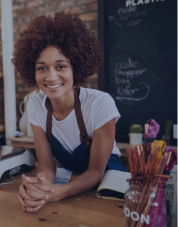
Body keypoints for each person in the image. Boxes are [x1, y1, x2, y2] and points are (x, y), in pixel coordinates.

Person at [12, 12, 126, 213]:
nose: (51, 76)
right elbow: (47, 166)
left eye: (61, 66)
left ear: (76, 68)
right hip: (73, 186)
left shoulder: (100, 104)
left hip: (108, 187)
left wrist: (56, 193)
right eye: (42, 68)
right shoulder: (36, 105)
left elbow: (95, 172)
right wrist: (40, 187)